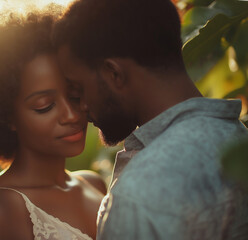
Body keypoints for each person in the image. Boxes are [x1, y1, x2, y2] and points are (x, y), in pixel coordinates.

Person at [52, 0, 248, 239]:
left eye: (78, 89)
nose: (81, 107)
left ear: (114, 74)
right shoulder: (238, 139)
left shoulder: (140, 194)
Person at [0, 6, 106, 240]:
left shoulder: (95, 184)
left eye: (75, 95)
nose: (71, 115)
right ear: (6, 116)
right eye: (44, 105)